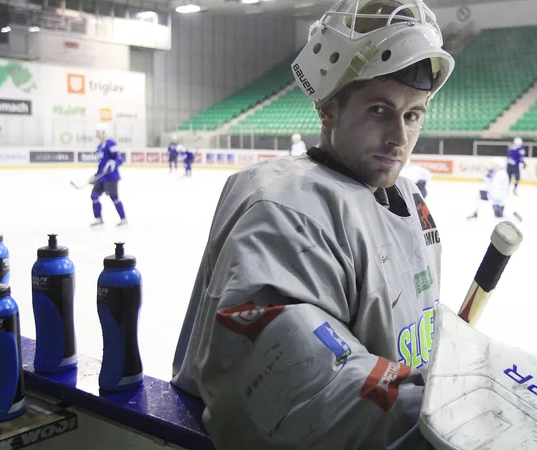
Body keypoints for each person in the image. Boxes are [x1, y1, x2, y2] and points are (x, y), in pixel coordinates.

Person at [170, 1, 454, 449]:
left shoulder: (408, 199)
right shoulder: (285, 209)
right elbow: (296, 388)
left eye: (413, 114)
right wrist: (445, 418)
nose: (399, 138)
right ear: (327, 110)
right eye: (379, 110)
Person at [90, 123, 127, 227]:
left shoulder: (110, 143)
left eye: (98, 132)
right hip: (101, 177)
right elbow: (101, 165)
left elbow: (119, 158)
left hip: (111, 177)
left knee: (114, 198)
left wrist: (114, 163)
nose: (97, 134)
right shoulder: (98, 148)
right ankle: (98, 219)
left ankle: (123, 218)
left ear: (104, 132)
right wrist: (95, 176)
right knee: (94, 196)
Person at [467, 157, 521, 222]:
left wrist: (496, 202)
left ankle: (514, 217)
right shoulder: (497, 173)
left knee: (499, 217)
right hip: (492, 196)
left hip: (497, 199)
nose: (492, 166)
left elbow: (498, 189)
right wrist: (488, 177)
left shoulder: (501, 175)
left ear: (498, 165)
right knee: (478, 194)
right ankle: (474, 213)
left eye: (494, 165)